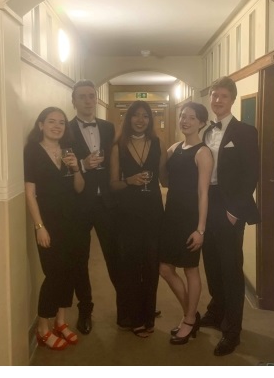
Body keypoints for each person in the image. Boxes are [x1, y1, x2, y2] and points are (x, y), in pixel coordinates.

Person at [201, 76, 260, 356]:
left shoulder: (246, 132)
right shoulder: (204, 131)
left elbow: (251, 175)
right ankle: (217, 310)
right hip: (206, 203)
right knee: (211, 263)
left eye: (223, 96)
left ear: (233, 99)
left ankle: (232, 331)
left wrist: (235, 210)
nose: (217, 100)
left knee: (231, 268)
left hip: (229, 207)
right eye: (214, 95)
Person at [24, 107, 85, 350]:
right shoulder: (32, 151)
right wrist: (39, 226)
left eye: (61, 122)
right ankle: (42, 328)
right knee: (53, 275)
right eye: (51, 121)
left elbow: (79, 188)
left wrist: (76, 168)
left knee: (69, 271)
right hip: (48, 223)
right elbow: (30, 194)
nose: (57, 126)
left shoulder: (69, 151)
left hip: (72, 221)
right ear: (41, 125)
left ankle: (61, 321)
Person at [110, 100, 168, 338]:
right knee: (131, 266)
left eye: (145, 116)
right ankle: (134, 317)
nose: (140, 120)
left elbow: (164, 178)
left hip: (153, 210)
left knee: (152, 265)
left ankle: (148, 314)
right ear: (128, 118)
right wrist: (129, 181)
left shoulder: (158, 144)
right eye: (136, 115)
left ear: (150, 120)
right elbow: (113, 184)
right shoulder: (118, 146)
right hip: (127, 214)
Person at [159, 102, 213, 345]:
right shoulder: (173, 148)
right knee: (165, 268)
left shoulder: (203, 152)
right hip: (170, 216)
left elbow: (203, 193)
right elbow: (163, 178)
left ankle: (189, 319)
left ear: (201, 123)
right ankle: (191, 314)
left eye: (191, 117)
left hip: (191, 218)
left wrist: (200, 229)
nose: (185, 121)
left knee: (190, 269)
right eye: (183, 116)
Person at [69, 79, 118, 335]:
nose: (88, 100)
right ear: (74, 101)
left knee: (115, 254)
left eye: (91, 96)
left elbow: (117, 161)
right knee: (79, 259)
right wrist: (83, 164)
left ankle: (127, 306)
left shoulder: (109, 128)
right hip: (78, 203)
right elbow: (58, 167)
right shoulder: (64, 130)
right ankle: (85, 310)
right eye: (83, 96)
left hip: (107, 203)